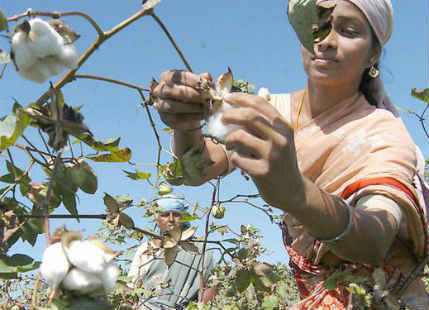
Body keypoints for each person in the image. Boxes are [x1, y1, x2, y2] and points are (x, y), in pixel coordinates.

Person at [151, 1, 429, 309]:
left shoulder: (382, 131)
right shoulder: (272, 111)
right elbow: (197, 170)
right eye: (315, 28)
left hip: (391, 299)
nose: (326, 41)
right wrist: (186, 123)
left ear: (373, 54)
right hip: (319, 295)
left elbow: (375, 238)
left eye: (349, 31)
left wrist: (295, 193)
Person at [128, 195, 216, 310]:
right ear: (157, 218)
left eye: (176, 214)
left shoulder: (199, 250)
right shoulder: (145, 249)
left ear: (183, 218)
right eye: (164, 215)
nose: (171, 219)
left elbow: (210, 288)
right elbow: (131, 288)